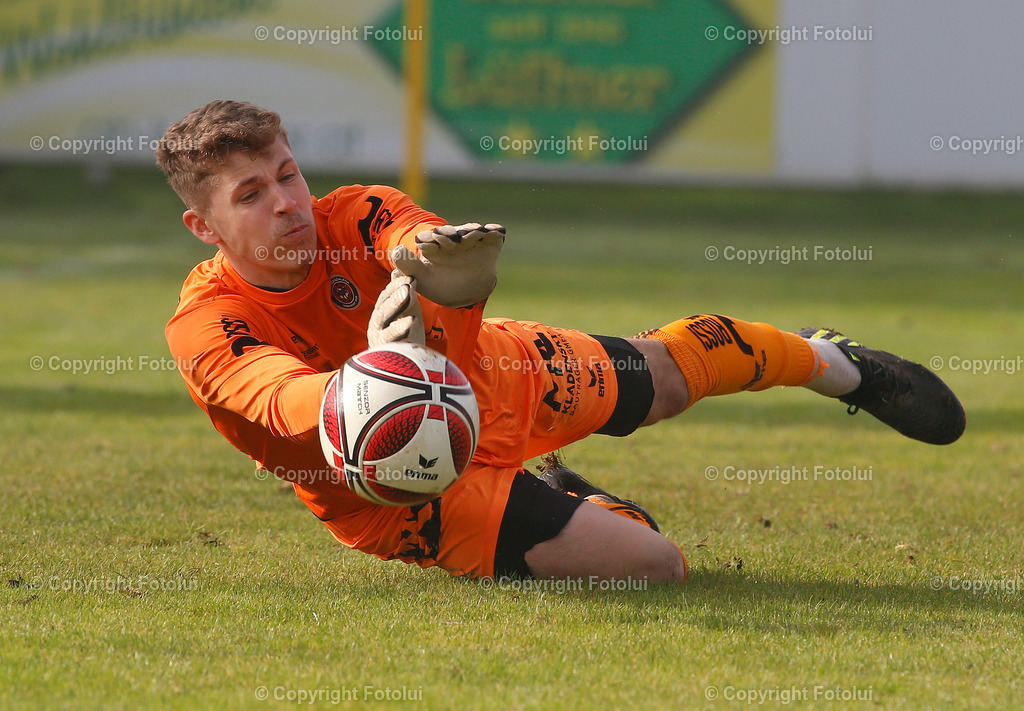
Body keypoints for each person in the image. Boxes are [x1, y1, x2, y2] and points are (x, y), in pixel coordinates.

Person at [158, 100, 965, 584]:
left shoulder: (352, 213)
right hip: (409, 492)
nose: (288, 202)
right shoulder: (205, 323)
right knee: (657, 565)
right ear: (203, 225)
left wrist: (430, 261)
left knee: (666, 377)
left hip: (492, 371)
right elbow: (274, 392)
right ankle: (591, 502)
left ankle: (833, 363)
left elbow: (415, 232)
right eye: (253, 193)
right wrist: (374, 377)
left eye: (290, 174)